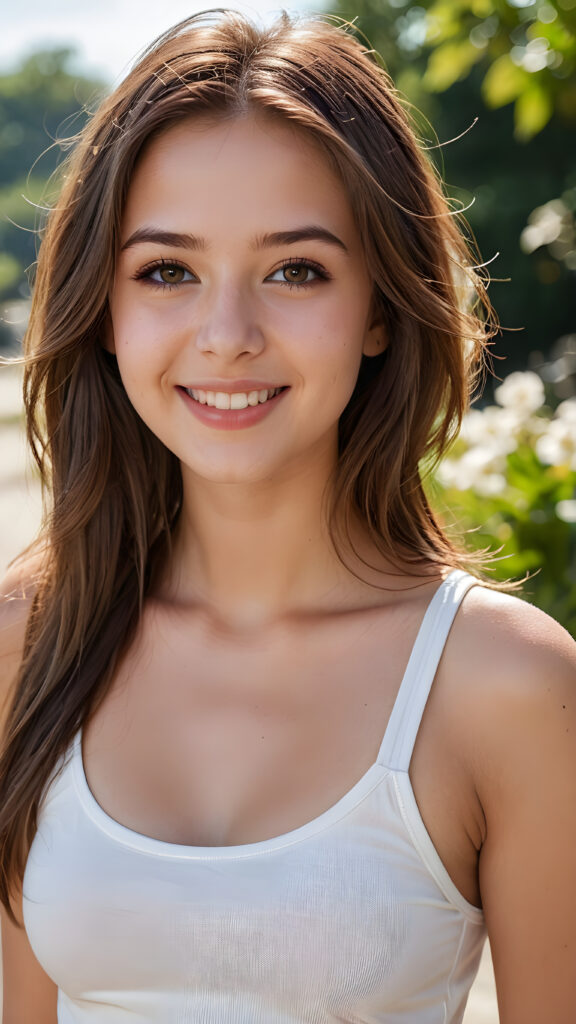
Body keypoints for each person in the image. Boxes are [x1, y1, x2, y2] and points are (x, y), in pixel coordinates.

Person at [0, 9, 575, 1023]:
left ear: (381, 309)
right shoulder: (24, 649)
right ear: (105, 306)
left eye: (296, 269)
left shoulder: (507, 686)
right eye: (167, 270)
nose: (227, 336)